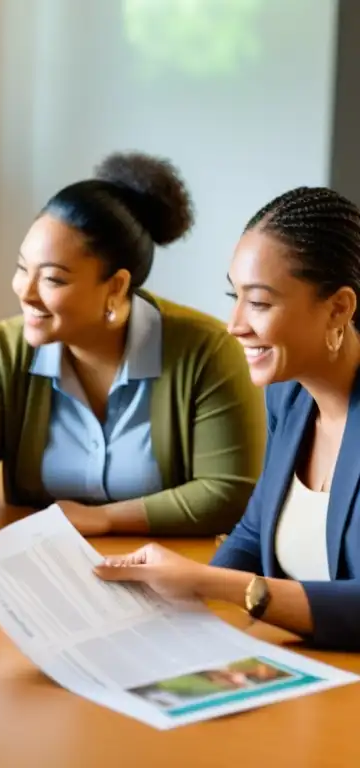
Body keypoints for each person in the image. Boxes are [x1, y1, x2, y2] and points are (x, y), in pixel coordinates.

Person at [0, 152, 266, 557]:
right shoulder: (6, 347)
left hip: (166, 573)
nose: (25, 291)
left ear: (117, 287)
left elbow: (229, 491)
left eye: (52, 278)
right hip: (43, 568)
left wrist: (103, 518)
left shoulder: (207, 351)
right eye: (22, 268)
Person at [96, 186, 360, 651]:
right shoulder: (288, 396)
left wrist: (219, 587)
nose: (234, 323)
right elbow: (255, 532)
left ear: (338, 308)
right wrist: (172, 595)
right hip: (301, 670)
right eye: (233, 296)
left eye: (258, 303)